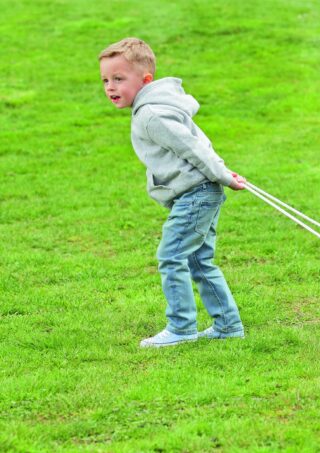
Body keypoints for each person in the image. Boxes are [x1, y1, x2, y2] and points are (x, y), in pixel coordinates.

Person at [99, 37, 246, 347]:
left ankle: (181, 327)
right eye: (105, 80)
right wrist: (222, 172)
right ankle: (228, 325)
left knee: (171, 255)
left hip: (196, 194)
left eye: (118, 79)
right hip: (201, 191)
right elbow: (198, 142)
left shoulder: (152, 114)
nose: (110, 87)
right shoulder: (159, 107)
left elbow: (193, 147)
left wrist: (223, 175)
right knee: (198, 260)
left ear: (145, 80)